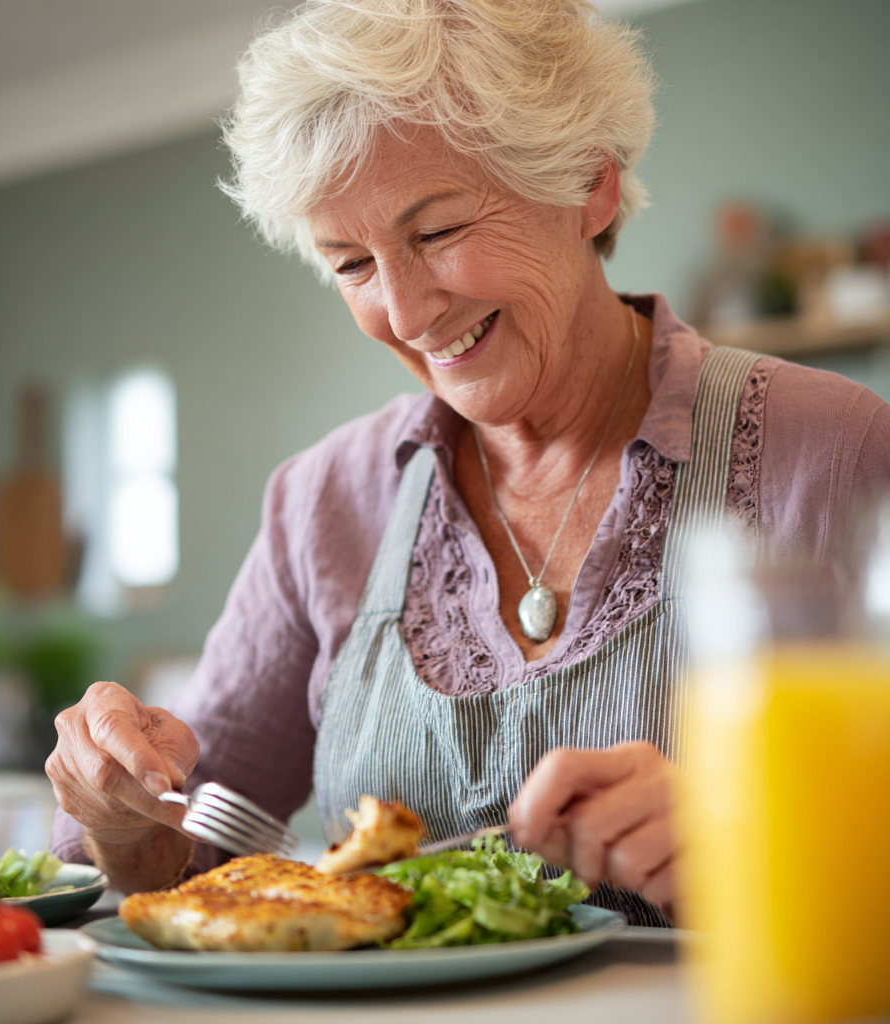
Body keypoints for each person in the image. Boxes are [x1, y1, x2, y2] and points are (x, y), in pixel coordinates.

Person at [46, 0, 889, 926]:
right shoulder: (323, 502)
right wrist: (118, 808)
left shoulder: (838, 453)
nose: (406, 313)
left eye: (438, 232)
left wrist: (757, 841)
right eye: (352, 264)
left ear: (590, 185)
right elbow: (182, 856)